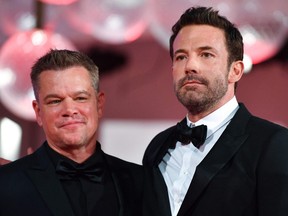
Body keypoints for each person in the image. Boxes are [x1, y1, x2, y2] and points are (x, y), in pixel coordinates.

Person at [142, 6, 288, 216]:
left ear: (235, 70)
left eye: (206, 54)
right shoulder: (157, 148)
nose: (190, 65)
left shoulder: (274, 144)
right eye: (181, 57)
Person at [0, 49, 143, 216]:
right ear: (38, 112)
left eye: (80, 98)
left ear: (99, 105)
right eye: (55, 101)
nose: (69, 110)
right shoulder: (6, 182)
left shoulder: (142, 182)